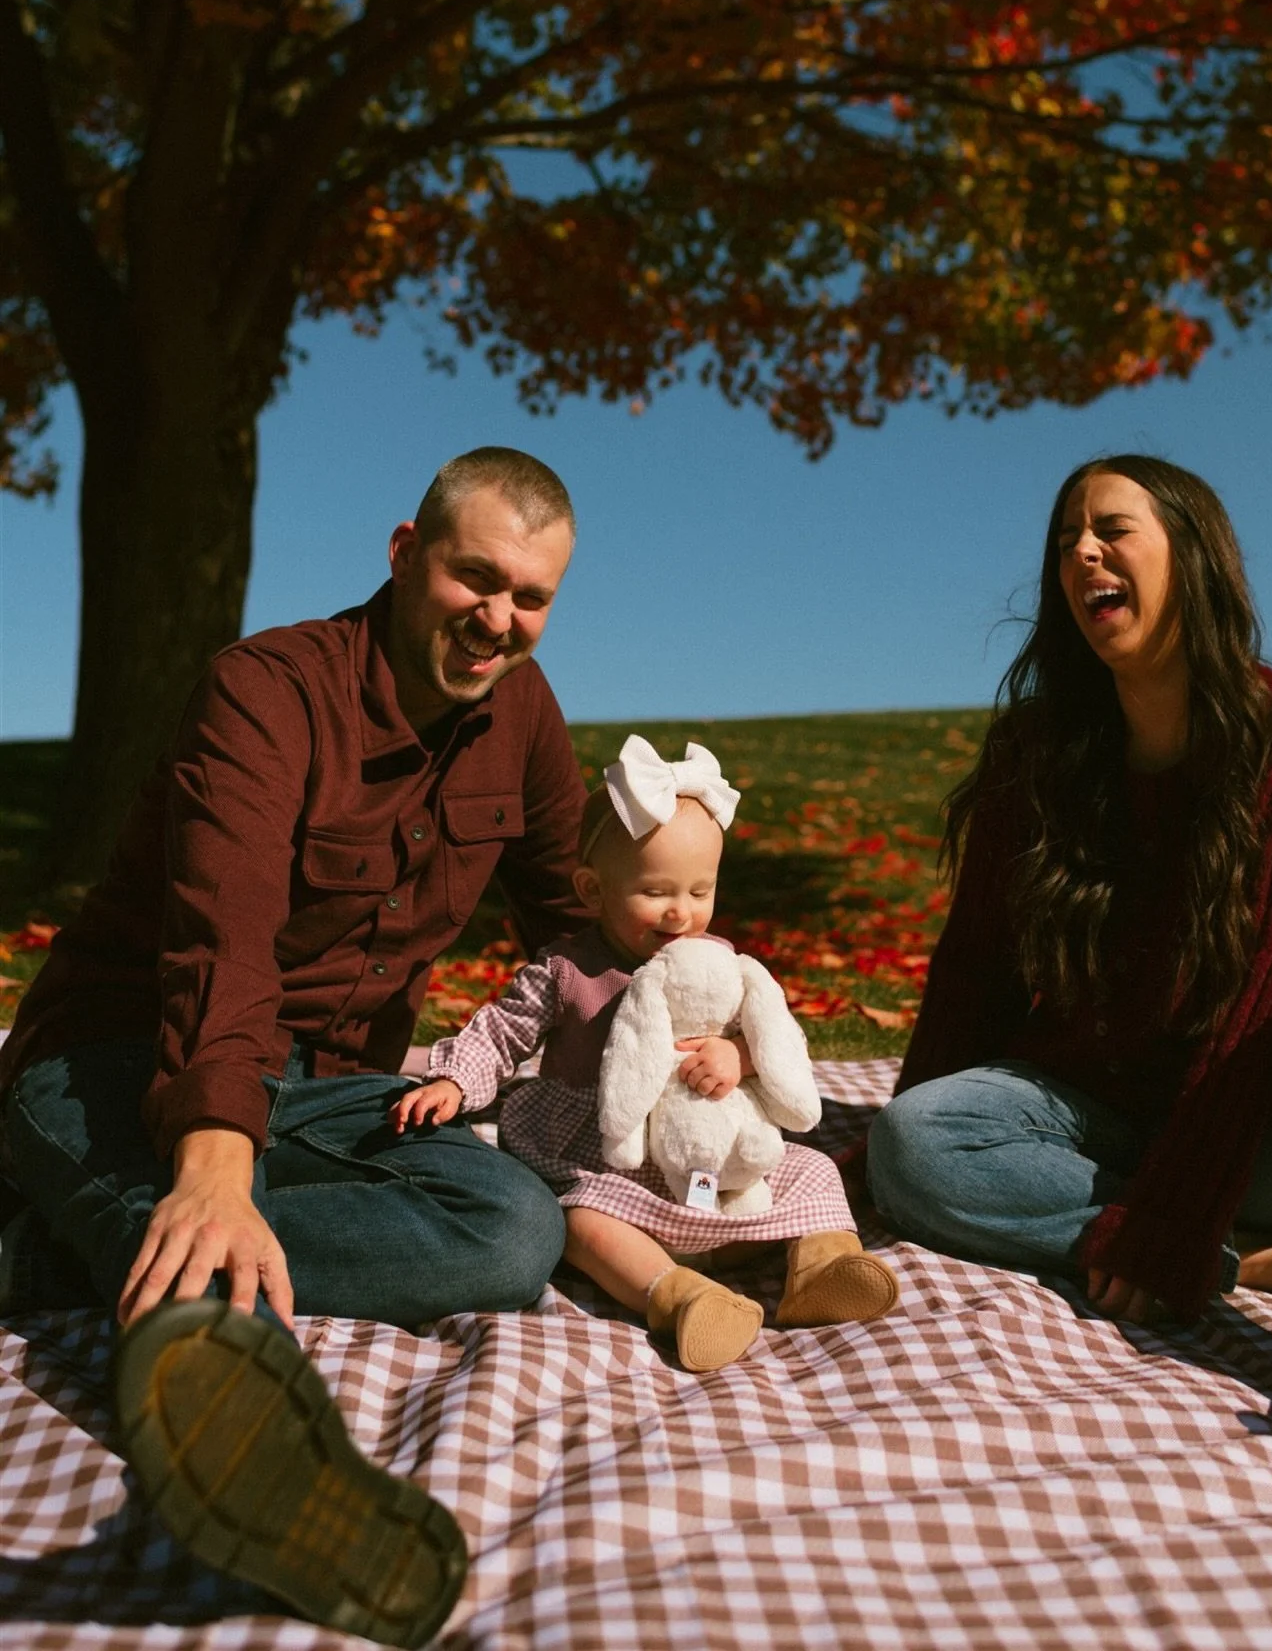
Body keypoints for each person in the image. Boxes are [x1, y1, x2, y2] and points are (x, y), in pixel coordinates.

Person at [0, 447, 594, 1644]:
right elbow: (220, 945)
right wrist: (216, 1169)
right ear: (404, 552)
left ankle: (50, 1247)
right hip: (122, 1055)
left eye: (530, 597)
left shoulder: (520, 717)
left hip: (336, 1091)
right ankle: (253, 1464)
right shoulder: (266, 689)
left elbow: (573, 921)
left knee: (517, 1228)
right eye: (474, 578)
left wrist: (689, 1023)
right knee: (212, 1219)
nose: (498, 621)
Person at [865, 454, 1272, 1485]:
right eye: (1064, 538)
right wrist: (882, 1183)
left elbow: (1268, 1008)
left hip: (1256, 1111)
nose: (1080, 550)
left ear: (1194, 551)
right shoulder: (1038, 752)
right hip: (1090, 1118)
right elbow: (975, 975)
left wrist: (1176, 1214)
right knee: (913, 1139)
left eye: (1112, 527)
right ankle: (1247, 1260)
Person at [395, 736, 899, 1372]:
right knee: (576, 1224)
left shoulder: (720, 964)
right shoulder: (566, 970)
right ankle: (679, 1297)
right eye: (655, 892)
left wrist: (740, 1055)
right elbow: (500, 1032)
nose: (681, 914)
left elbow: (780, 1037)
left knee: (813, 1171)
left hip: (716, 1164)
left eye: (699, 891)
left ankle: (821, 1269)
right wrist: (454, 1082)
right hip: (609, 1162)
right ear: (593, 889)